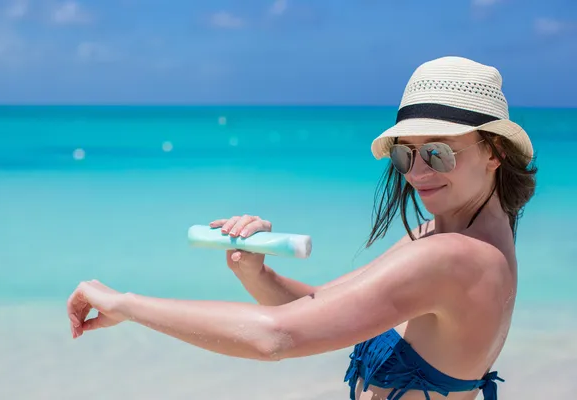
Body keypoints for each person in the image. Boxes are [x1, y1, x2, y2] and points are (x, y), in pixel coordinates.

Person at [67, 56, 537, 400]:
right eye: (405, 153)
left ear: (494, 151)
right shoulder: (458, 240)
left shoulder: (452, 256)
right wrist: (256, 272)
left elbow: (274, 338)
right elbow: (322, 311)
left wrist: (126, 303)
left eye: (438, 151)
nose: (416, 172)